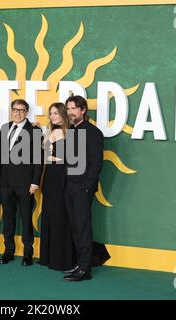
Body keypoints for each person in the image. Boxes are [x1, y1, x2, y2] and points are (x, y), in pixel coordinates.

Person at [63, 95, 104, 281]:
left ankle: (85, 270)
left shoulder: (93, 132)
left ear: (83, 110)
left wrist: (87, 187)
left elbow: (96, 163)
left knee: (83, 227)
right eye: (69, 109)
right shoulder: (71, 130)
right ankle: (79, 264)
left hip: (82, 188)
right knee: (75, 228)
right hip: (69, 187)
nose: (70, 112)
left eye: (73, 109)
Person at [0, 99, 43, 266]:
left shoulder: (35, 130)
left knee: (25, 218)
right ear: (11, 111)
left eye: (21, 110)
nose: (17, 113)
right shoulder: (4, 128)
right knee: (8, 219)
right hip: (5, 182)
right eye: (15, 110)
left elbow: (39, 159)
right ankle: (8, 251)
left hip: (25, 183)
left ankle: (27, 253)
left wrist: (35, 182)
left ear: (26, 112)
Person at [38, 102, 76, 271]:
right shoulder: (52, 131)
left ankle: (61, 259)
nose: (52, 116)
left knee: (61, 216)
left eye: (55, 113)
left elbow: (74, 159)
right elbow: (44, 155)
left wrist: (55, 158)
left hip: (63, 176)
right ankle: (47, 257)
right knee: (49, 215)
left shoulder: (71, 132)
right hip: (50, 178)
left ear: (63, 114)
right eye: (50, 113)